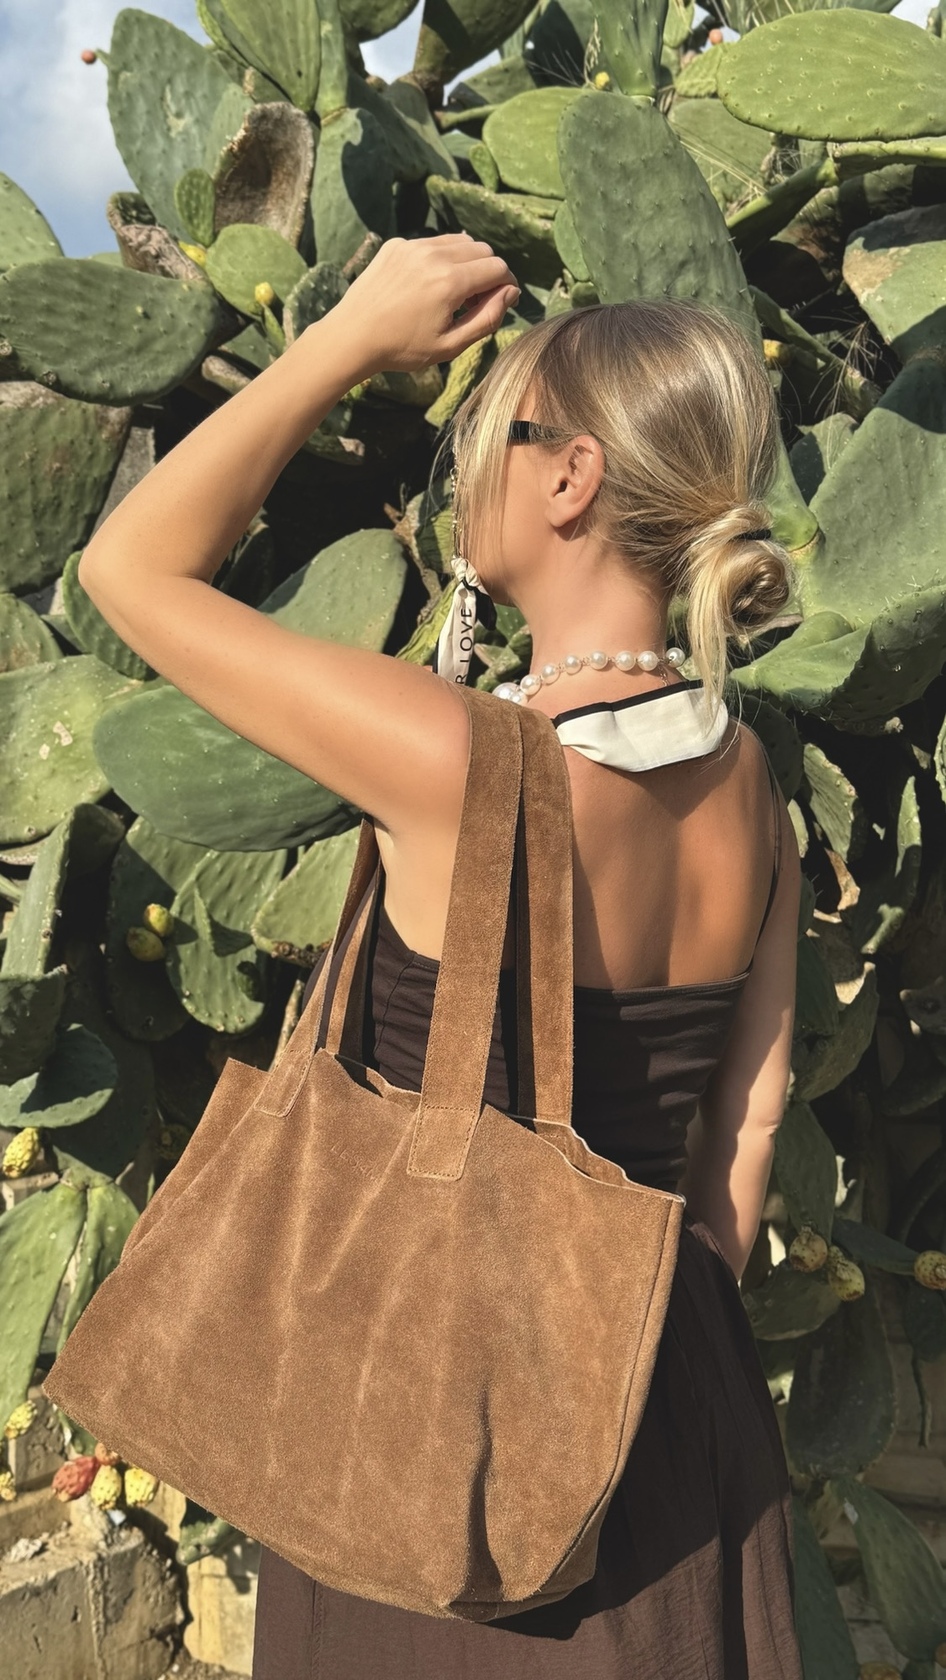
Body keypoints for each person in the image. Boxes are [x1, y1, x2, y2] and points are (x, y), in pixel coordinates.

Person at [77, 234, 802, 1678]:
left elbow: (127, 565)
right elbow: (746, 1120)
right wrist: (644, 1351)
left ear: (570, 477)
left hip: (437, 1426)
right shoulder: (753, 786)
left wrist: (343, 337)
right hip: (670, 1402)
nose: (461, 464)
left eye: (487, 431)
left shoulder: (456, 757)